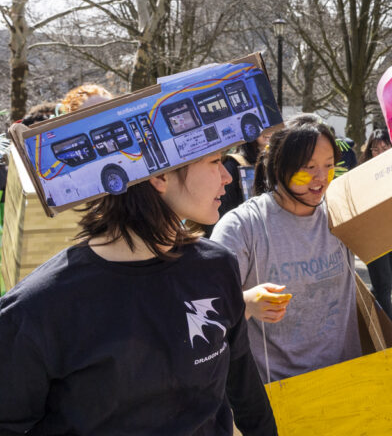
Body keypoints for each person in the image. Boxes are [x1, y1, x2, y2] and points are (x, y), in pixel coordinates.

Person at [0, 152, 277, 434]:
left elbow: (244, 387)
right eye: (214, 161)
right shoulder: (39, 307)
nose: (227, 176)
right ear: (159, 176)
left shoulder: (217, 267)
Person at [211, 115, 362, 382]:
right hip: (276, 392)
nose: (321, 178)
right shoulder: (243, 226)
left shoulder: (342, 213)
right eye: (308, 167)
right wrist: (245, 303)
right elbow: (210, 313)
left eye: (328, 166)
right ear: (280, 167)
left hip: (345, 379)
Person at [362, 128, 392, 322]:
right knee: (384, 286)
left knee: (382, 285)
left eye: (384, 147)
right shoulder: (362, 174)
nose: (379, 153)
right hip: (372, 236)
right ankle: (391, 331)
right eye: (375, 149)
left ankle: (370, 322)